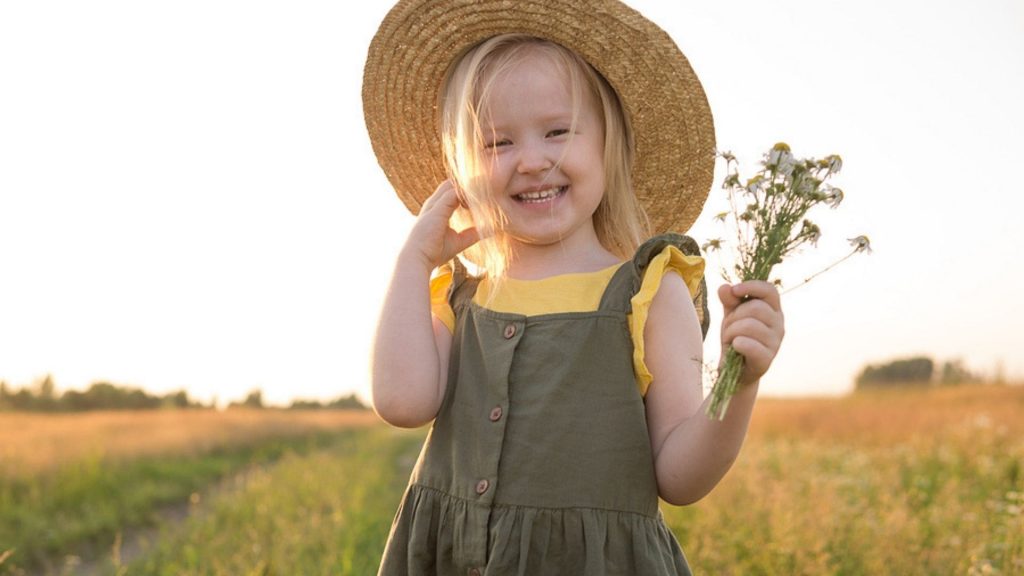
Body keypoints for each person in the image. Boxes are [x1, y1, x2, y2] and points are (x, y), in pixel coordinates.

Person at [362, 1, 784, 574]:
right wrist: (413, 261)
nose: (533, 161)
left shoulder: (649, 292)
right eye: (496, 143)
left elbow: (680, 477)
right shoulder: (461, 297)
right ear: (460, 169)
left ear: (608, 146)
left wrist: (740, 383)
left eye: (557, 132)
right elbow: (402, 402)